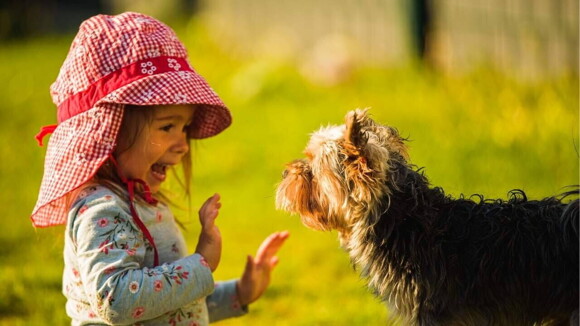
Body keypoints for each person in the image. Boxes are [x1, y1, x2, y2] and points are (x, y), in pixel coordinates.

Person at [31, 12, 289, 325]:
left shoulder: (140, 202)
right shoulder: (101, 210)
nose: (183, 143)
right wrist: (201, 264)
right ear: (111, 129)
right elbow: (118, 301)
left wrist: (240, 292)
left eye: (185, 127)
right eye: (167, 127)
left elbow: (169, 303)